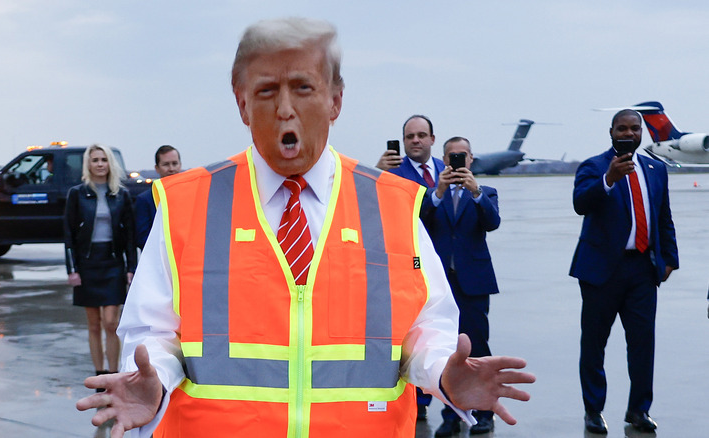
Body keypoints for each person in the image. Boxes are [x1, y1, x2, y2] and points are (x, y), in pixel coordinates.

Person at [76, 17, 535, 438]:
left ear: (335, 100)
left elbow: (424, 326)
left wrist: (442, 373)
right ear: (241, 103)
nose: (285, 109)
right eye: (266, 91)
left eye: (302, 88)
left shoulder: (391, 204)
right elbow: (152, 332)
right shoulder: (185, 205)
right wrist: (151, 378)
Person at [570, 109, 678, 434]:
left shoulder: (656, 169)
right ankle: (593, 411)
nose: (628, 134)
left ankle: (638, 411)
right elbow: (580, 204)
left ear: (641, 133)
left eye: (634, 128)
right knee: (594, 345)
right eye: (622, 128)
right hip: (601, 271)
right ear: (611, 132)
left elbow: (664, 217)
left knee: (643, 344)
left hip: (643, 269)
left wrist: (670, 258)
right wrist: (609, 179)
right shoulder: (593, 166)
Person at [420, 137, 500, 436]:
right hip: (440, 283)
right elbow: (419, 220)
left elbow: (492, 223)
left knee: (478, 348)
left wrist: (475, 191)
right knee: (444, 350)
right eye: (452, 157)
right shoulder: (432, 195)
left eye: (462, 156)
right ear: (443, 160)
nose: (458, 161)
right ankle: (452, 413)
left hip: (473, 283)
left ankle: (484, 411)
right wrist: (439, 191)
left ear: (471, 159)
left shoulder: (486, 192)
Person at [64, 144, 137, 384]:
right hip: (87, 263)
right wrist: (72, 269)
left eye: (103, 160)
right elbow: (69, 234)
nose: (99, 164)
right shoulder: (77, 193)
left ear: (110, 164)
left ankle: (113, 374)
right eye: (95, 160)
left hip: (113, 262)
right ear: (88, 164)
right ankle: (99, 374)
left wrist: (130, 268)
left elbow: (130, 236)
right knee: (93, 324)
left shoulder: (121, 194)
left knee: (111, 322)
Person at [377, 115, 445, 191]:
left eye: (421, 136)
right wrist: (375, 173)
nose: (415, 140)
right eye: (410, 136)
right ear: (404, 140)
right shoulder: (390, 172)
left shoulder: (445, 168)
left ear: (432, 139)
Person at [135, 145, 182, 249]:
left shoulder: (189, 196)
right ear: (157, 168)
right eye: (166, 164)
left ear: (180, 165)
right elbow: (142, 238)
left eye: (175, 163)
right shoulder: (145, 200)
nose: (171, 169)